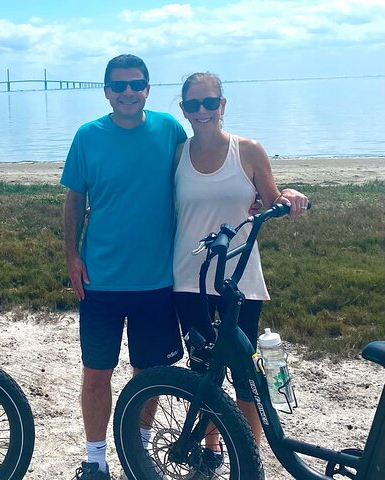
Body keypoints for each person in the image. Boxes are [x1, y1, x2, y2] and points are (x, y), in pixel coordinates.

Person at [61, 54, 187, 480]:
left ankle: (140, 451)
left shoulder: (170, 129)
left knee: (149, 374)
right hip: (101, 280)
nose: (128, 92)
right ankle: (95, 459)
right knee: (97, 373)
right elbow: (74, 199)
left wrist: (257, 188)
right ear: (107, 92)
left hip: (157, 280)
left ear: (148, 89)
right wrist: (72, 255)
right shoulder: (88, 136)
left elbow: (202, 172)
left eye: (136, 84)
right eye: (119, 86)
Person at [172, 72, 308, 463]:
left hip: (239, 279)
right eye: (193, 104)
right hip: (188, 277)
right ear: (184, 110)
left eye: (209, 102)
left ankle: (250, 456)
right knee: (203, 372)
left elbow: (272, 200)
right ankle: (212, 447)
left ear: (222, 105)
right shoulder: (178, 153)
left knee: (247, 379)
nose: (202, 111)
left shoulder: (247, 150)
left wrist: (291, 195)